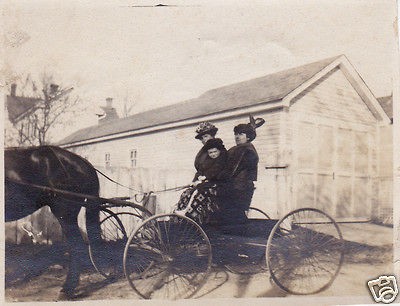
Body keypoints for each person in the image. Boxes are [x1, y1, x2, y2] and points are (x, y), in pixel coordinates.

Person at [217, 115, 265, 224]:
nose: (237, 137)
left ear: (248, 137)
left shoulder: (246, 150)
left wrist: (218, 178)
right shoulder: (237, 149)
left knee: (232, 215)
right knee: (232, 215)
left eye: (241, 134)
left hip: (239, 188)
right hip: (235, 186)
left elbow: (232, 170)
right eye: (236, 134)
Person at [175, 138, 227, 224]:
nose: (213, 154)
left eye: (215, 152)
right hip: (206, 183)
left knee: (198, 192)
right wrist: (196, 179)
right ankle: (181, 212)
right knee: (186, 193)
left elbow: (216, 171)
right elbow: (200, 171)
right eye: (210, 153)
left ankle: (190, 212)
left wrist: (205, 177)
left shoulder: (221, 160)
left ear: (219, 151)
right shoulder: (207, 161)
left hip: (217, 184)